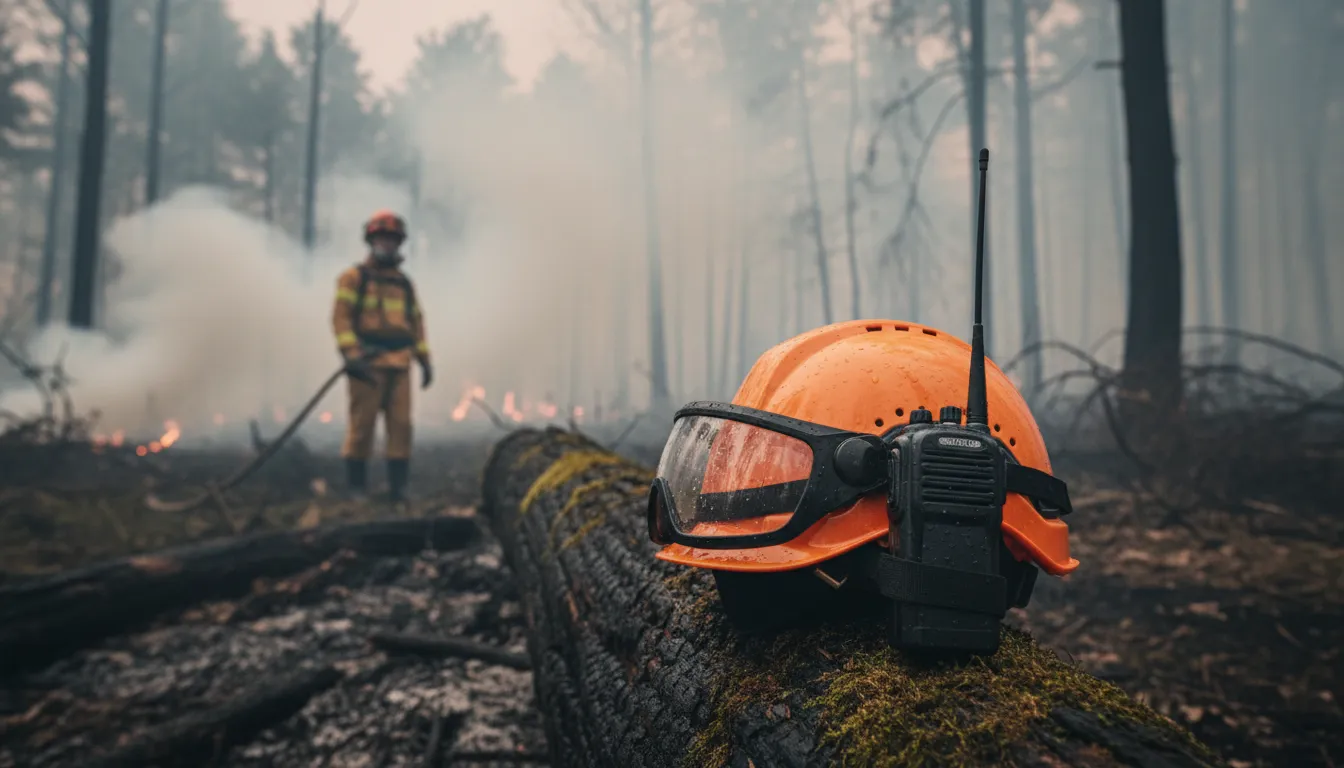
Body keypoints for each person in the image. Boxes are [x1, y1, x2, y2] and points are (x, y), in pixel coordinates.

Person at [331, 209, 433, 502]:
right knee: (362, 425)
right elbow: (340, 319)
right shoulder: (354, 278)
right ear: (371, 241)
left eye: (392, 240)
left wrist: (425, 360)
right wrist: (351, 354)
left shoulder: (404, 284)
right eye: (382, 239)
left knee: (401, 426)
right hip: (367, 364)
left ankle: (398, 488)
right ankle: (356, 487)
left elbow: (416, 323)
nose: (387, 244)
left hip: (400, 363)